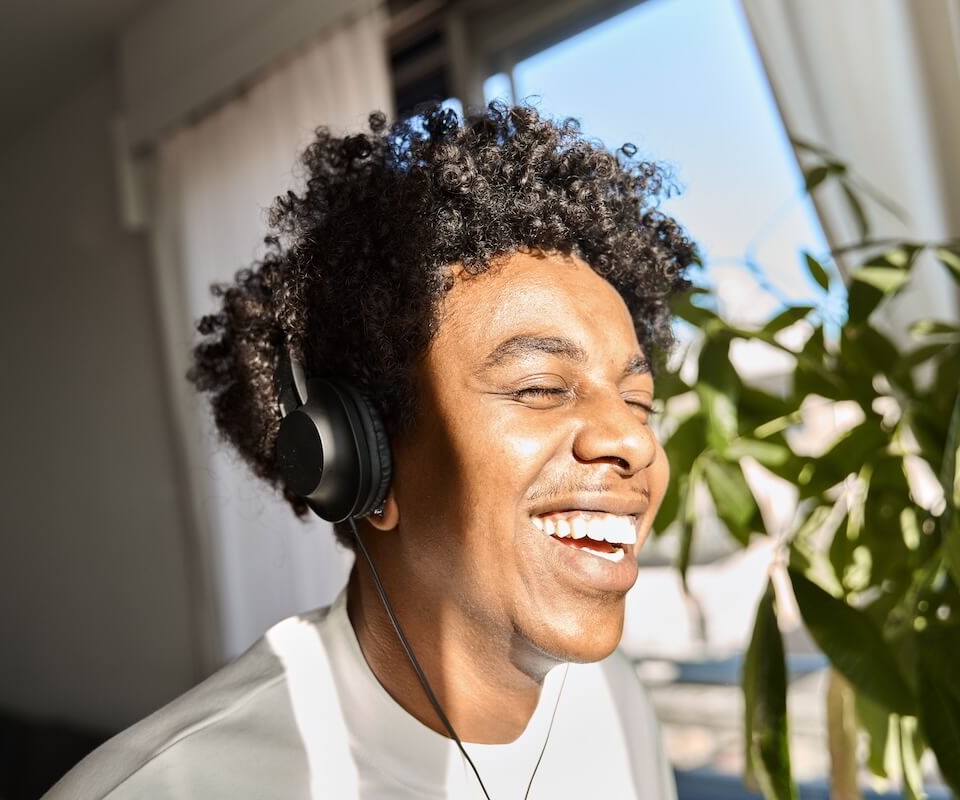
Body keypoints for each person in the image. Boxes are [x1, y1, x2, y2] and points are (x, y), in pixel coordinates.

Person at [47, 102, 694, 799]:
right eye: (541, 387)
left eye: (638, 402)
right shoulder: (171, 789)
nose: (633, 440)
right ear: (363, 460)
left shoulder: (619, 704)